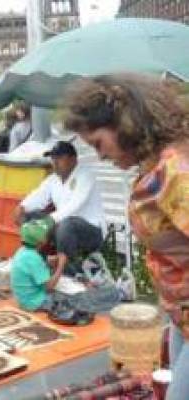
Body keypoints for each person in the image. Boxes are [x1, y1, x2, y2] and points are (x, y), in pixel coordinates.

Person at [63, 73, 189, 400]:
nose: (101, 156)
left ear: (124, 124)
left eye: (98, 144)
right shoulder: (157, 165)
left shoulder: (175, 171)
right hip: (179, 312)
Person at [12, 140, 106, 275]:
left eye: (59, 158)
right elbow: (38, 196)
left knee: (67, 224)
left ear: (73, 159)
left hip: (91, 231)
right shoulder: (53, 179)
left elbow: (74, 205)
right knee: (30, 216)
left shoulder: (86, 175)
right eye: (53, 159)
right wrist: (22, 207)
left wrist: (50, 220)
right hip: (62, 227)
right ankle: (35, 262)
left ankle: (67, 271)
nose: (55, 163)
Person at [11, 217, 64, 311]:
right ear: (42, 241)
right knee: (67, 299)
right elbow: (49, 287)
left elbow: (33, 271)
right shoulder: (34, 258)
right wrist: (61, 265)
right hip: (34, 303)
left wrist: (47, 264)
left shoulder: (22, 251)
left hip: (23, 299)